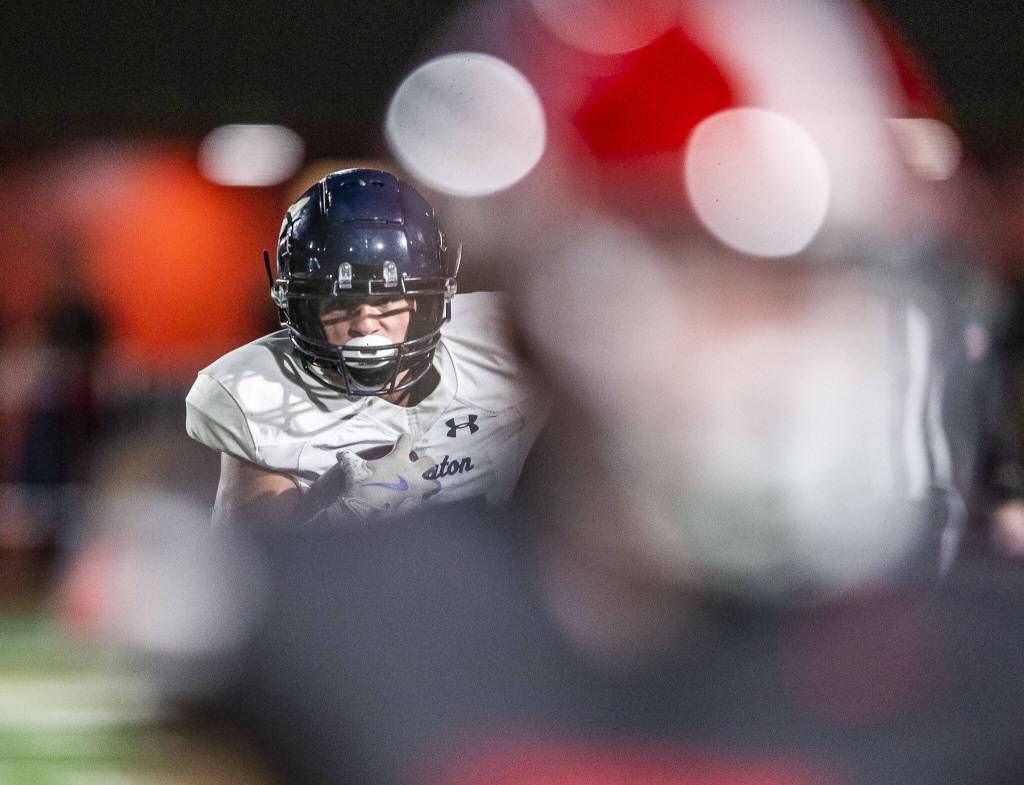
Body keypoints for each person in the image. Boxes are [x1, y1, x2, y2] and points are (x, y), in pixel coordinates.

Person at [185, 168, 547, 525]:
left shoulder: (500, 340)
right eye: (340, 304)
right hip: (352, 583)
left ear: (426, 302)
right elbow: (250, 568)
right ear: (303, 308)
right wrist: (337, 521)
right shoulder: (255, 393)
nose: (366, 324)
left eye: (387, 301)